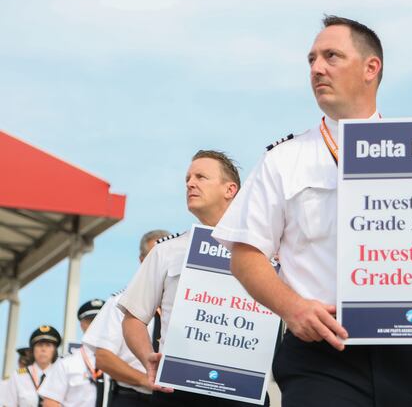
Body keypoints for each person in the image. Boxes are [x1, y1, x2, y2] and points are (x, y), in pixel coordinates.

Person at [212, 15, 412, 407]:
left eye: (331, 56)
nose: (317, 68)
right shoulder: (283, 160)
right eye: (312, 60)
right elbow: (245, 255)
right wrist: (293, 308)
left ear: (371, 68)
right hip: (324, 353)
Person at [120, 150, 269, 406]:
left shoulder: (267, 249)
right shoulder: (167, 251)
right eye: (188, 178)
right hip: (177, 390)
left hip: (245, 389)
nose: (190, 183)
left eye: (201, 177)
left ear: (230, 189)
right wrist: (147, 357)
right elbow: (133, 316)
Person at [82, 230, 170, 407]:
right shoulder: (120, 303)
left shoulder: (182, 306)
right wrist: (145, 381)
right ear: (142, 260)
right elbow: (103, 358)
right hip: (133, 398)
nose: (161, 264)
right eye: (155, 258)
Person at [38, 299, 105, 407]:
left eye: (100, 320)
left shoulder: (123, 361)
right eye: (90, 321)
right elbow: (50, 402)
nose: (95, 325)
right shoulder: (66, 363)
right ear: (81, 325)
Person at [4, 326, 61, 407]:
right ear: (33, 350)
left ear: (54, 350)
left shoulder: (62, 375)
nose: (43, 349)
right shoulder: (18, 376)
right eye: (39, 345)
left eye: (48, 345)